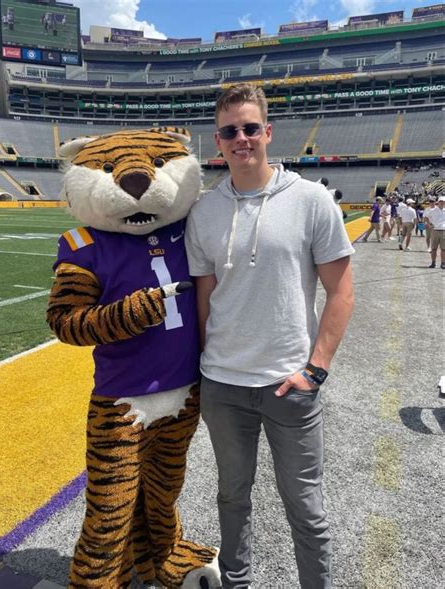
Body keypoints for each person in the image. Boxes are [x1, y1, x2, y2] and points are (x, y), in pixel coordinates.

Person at [185, 83, 355, 588]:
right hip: (223, 385)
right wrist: (201, 369)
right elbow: (203, 301)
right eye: (230, 131)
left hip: (289, 385)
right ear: (217, 140)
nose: (242, 138)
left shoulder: (311, 200)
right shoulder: (205, 211)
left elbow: (341, 292)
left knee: (306, 508)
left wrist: (315, 368)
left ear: (268, 132)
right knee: (232, 498)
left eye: (250, 128)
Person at [427, 195, 445, 269]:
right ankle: (433, 263)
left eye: (443, 201)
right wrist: (429, 224)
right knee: (434, 248)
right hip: (435, 231)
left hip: (444, 231)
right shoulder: (432, 210)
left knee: (443, 249)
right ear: (438, 202)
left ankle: (443, 263)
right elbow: (426, 218)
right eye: (441, 201)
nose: (442, 203)